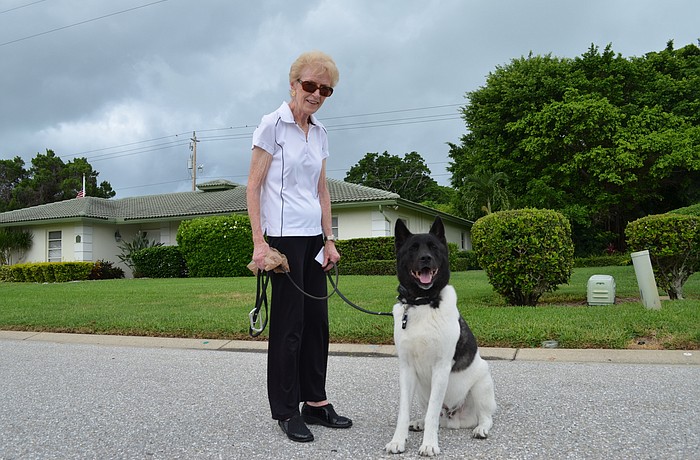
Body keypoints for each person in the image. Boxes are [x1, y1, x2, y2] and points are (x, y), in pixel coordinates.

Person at [246, 50, 352, 443]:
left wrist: (329, 239)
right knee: (289, 327)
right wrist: (260, 245)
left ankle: (316, 402)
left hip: (312, 240)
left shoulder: (320, 133)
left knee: (317, 325)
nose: (317, 93)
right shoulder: (271, 125)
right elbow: (254, 187)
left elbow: (321, 190)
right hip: (283, 241)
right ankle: (287, 410)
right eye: (310, 85)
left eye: (325, 89)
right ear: (293, 85)